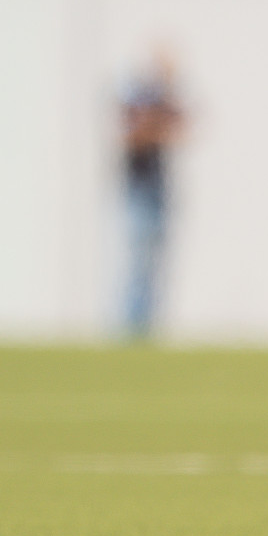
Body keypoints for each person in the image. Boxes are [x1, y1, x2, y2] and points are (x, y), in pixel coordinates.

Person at [120, 47, 185, 340]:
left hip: (158, 189)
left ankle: (146, 329)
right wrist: (156, 127)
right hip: (140, 188)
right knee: (139, 261)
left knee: (156, 262)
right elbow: (134, 135)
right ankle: (133, 329)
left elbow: (181, 124)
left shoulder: (161, 101)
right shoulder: (139, 96)